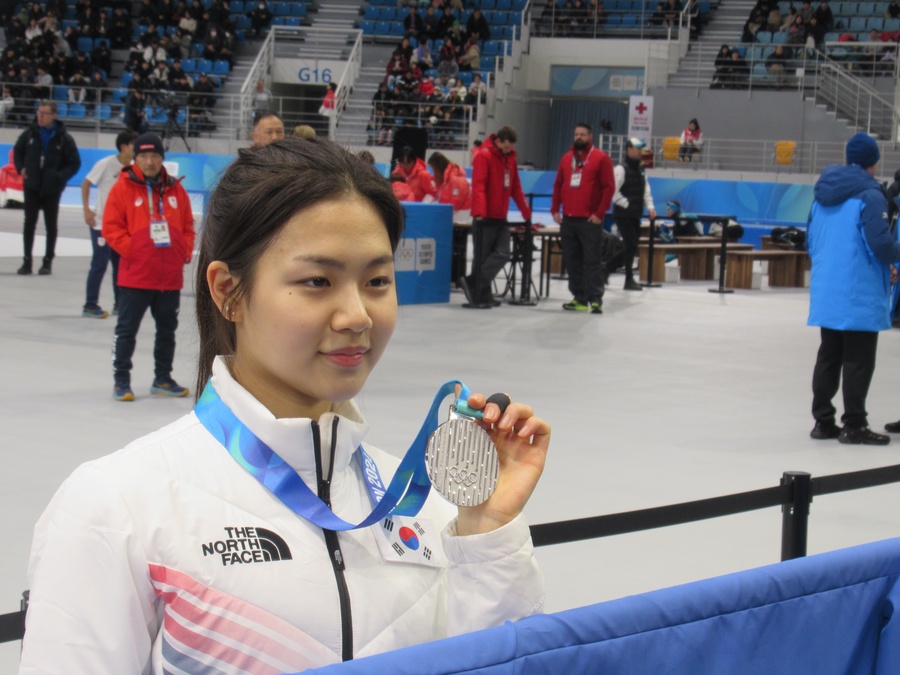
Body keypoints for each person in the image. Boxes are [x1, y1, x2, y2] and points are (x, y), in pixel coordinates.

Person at [19, 138, 548, 672]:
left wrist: (486, 534)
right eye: (317, 281)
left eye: (377, 281)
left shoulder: (426, 508)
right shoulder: (117, 506)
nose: (357, 315)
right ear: (229, 291)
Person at [808, 133, 900, 445]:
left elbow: (812, 239)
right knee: (859, 358)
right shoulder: (870, 195)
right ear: (874, 162)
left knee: (829, 354)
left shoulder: (822, 192)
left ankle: (823, 421)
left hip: (828, 288)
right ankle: (855, 425)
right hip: (857, 289)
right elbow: (881, 245)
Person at [101, 133, 195, 402]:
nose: (150, 161)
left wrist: (183, 251)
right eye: (143, 156)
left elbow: (188, 226)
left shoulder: (176, 189)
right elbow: (111, 228)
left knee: (167, 332)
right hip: (136, 277)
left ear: (162, 158)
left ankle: (162, 378)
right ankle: (122, 380)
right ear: (135, 158)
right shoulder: (122, 189)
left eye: (155, 155)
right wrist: (135, 252)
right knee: (126, 331)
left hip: (169, 278)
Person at [463, 126, 533, 309]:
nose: (509, 150)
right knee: (482, 257)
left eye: (511, 148)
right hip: (484, 217)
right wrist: (480, 212)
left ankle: (473, 282)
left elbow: (516, 188)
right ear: (499, 141)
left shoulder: (510, 160)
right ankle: (481, 294)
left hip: (501, 217)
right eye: (506, 147)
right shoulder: (483, 156)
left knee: (503, 254)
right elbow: (478, 186)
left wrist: (526, 213)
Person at [550, 122, 615, 314]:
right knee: (572, 260)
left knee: (592, 261)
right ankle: (579, 298)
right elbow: (558, 184)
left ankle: (595, 298)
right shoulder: (566, 159)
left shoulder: (601, 158)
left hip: (589, 221)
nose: (578, 137)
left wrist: (599, 213)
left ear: (590, 137)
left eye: (583, 134)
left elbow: (609, 187)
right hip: (568, 220)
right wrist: (555, 209)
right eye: (576, 134)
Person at [13, 100, 81, 276]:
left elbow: (74, 163)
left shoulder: (64, 138)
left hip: (52, 188)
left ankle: (47, 262)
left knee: (51, 225)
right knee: (29, 224)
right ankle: (27, 261)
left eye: (44, 113)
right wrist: (21, 168)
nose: (40, 116)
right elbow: (18, 151)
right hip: (32, 185)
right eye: (38, 112)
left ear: (54, 115)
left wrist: (59, 177)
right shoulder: (30, 133)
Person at [80, 130, 137, 319]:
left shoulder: (133, 168)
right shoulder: (106, 164)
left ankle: (119, 304)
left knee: (119, 265)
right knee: (99, 264)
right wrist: (87, 209)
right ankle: (90, 305)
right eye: (133, 144)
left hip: (121, 226)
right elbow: (86, 183)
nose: (136, 149)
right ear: (123, 146)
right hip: (101, 224)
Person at [612, 138, 656, 291]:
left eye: (641, 148)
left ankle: (607, 269)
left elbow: (646, 190)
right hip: (622, 215)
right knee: (630, 244)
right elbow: (613, 193)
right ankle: (628, 278)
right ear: (628, 149)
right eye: (637, 148)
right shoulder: (620, 169)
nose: (640, 151)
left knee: (631, 245)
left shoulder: (642, 169)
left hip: (635, 214)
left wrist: (650, 207)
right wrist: (628, 204)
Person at [428, 150, 472, 223]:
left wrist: (443, 212)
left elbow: (456, 203)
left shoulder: (456, 180)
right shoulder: (443, 180)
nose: (433, 172)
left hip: (461, 217)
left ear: (438, 168)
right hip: (452, 214)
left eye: (434, 170)